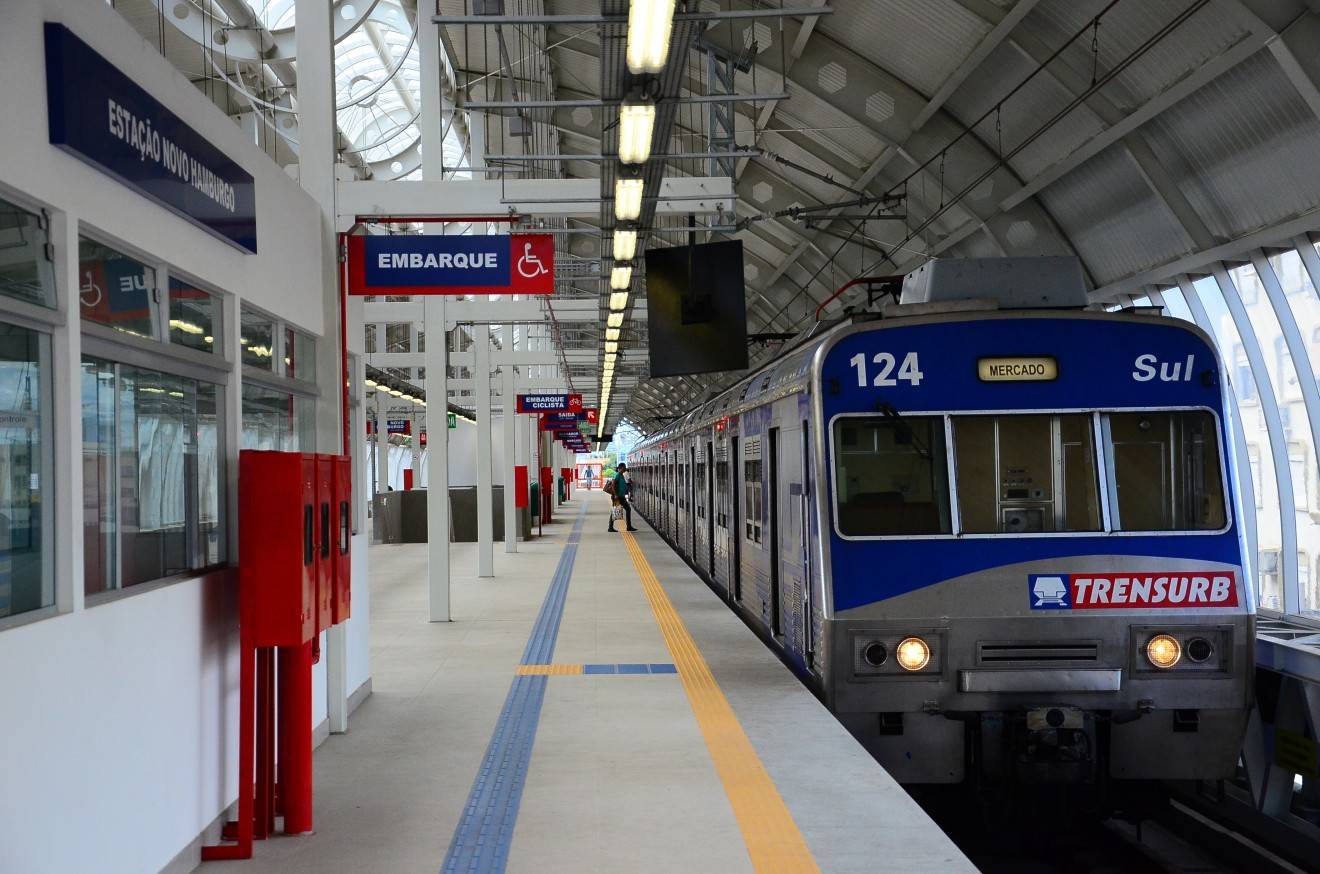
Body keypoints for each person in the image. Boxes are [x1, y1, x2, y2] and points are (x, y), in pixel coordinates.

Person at [607, 463, 638, 532]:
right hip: (618, 496)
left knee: (621, 510)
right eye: (624, 467)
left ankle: (627, 526)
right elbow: (613, 485)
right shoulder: (617, 475)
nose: (625, 468)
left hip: (621, 496)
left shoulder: (621, 475)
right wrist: (615, 495)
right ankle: (611, 527)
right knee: (618, 510)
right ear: (621, 468)